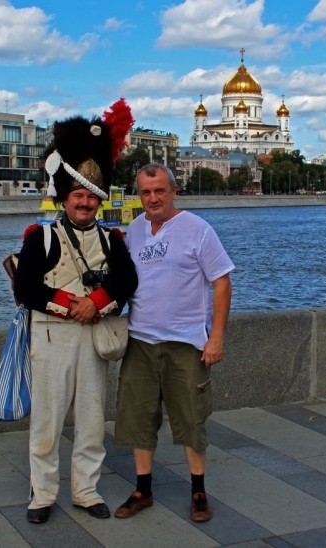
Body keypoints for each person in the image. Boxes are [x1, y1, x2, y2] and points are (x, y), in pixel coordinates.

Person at [14, 103, 137, 525]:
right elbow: (26, 287)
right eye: (78, 196)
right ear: (65, 197)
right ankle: (42, 494)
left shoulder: (111, 240)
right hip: (51, 339)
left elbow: (126, 281)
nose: (85, 203)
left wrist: (97, 301)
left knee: (90, 422)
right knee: (46, 423)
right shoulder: (41, 238)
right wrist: (72, 304)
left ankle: (86, 490)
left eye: (91, 197)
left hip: (94, 339)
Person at [113, 163, 234, 523]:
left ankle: (198, 491)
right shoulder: (133, 230)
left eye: (160, 190)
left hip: (186, 343)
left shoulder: (198, 229)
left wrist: (216, 337)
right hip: (140, 341)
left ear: (174, 191)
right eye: (146, 192)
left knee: (192, 419)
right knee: (138, 418)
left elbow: (222, 283)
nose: (153, 198)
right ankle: (143, 490)